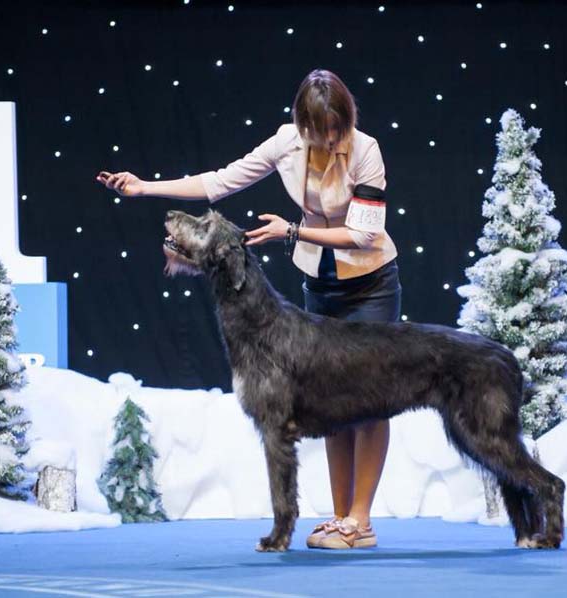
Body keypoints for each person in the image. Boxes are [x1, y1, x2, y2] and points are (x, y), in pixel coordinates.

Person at [96, 68, 401, 549]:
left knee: (370, 401)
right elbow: (218, 183)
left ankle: (361, 520)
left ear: (346, 118)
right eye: (316, 128)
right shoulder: (286, 142)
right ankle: (340, 517)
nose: (326, 137)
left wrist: (292, 231)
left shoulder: (366, 150)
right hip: (318, 281)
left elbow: (364, 234)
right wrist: (144, 187)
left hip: (369, 284)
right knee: (333, 400)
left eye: (334, 127)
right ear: (301, 122)